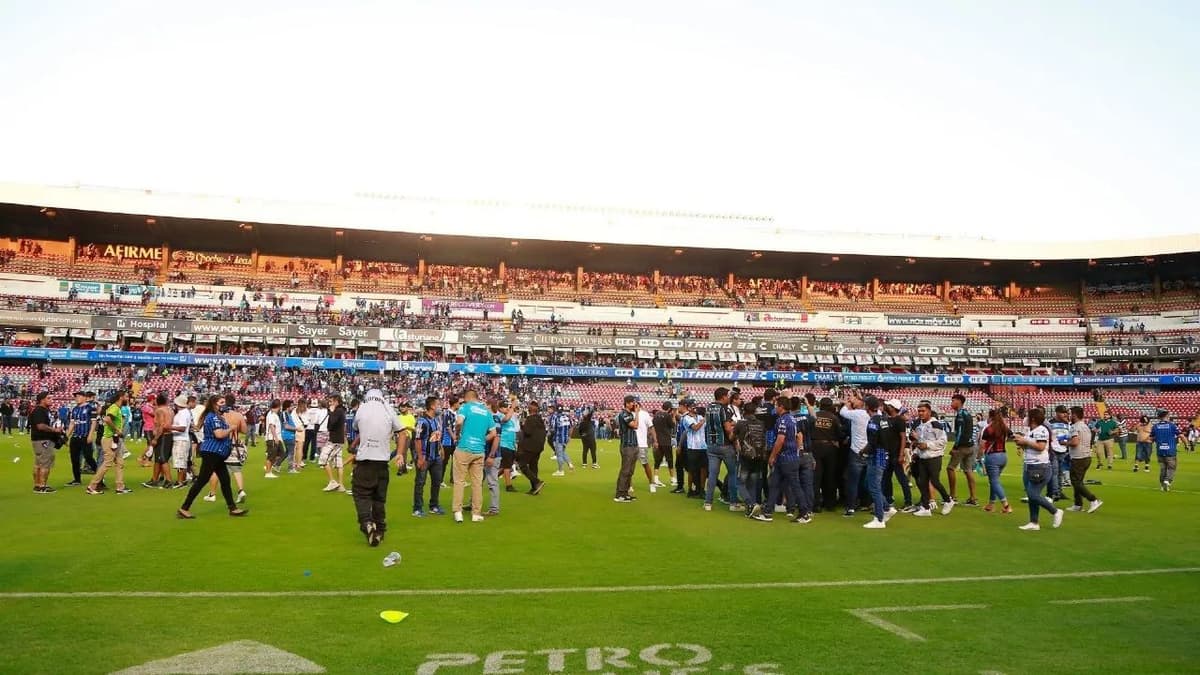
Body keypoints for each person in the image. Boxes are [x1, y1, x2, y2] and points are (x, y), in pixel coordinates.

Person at [177, 395, 248, 518]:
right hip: (212, 452)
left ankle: (232, 508)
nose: (224, 405)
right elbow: (219, 434)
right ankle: (184, 508)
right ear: (215, 404)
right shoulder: (214, 417)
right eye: (221, 402)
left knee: (225, 480)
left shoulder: (217, 416)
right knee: (202, 481)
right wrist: (231, 428)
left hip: (217, 453)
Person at [348, 388, 401, 545]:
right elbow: (401, 430)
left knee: (361, 493)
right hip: (382, 462)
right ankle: (379, 531)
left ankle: (367, 522)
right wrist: (400, 453)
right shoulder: (388, 408)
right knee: (379, 499)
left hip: (365, 460)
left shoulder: (363, 408)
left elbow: (355, 427)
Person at [1013, 407, 1062, 531]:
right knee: (1031, 495)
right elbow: (1030, 446)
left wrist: (1025, 441)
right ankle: (1034, 522)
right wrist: (1021, 443)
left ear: (1033, 419)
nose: (1026, 419)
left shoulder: (1041, 430)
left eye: (1028, 417)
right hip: (1030, 465)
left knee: (1033, 494)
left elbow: (1040, 446)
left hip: (1039, 466)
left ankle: (1055, 511)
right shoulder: (1032, 431)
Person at [453, 388, 495, 523]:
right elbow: (493, 433)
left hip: (464, 447)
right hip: (479, 450)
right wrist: (482, 439)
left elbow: (459, 422)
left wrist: (458, 434)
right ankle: (476, 513)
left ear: (467, 398)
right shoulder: (487, 412)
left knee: (459, 481)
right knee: (477, 483)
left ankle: (458, 512)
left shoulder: (465, 407)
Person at [910, 402, 953, 517]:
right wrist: (916, 452)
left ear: (929, 412)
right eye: (919, 411)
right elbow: (920, 442)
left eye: (923, 411)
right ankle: (925, 507)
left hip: (934, 457)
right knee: (922, 482)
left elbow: (942, 441)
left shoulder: (935, 424)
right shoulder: (919, 425)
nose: (920, 413)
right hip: (922, 457)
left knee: (934, 481)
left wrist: (927, 445)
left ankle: (948, 500)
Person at [87, 391, 133, 495]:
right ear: (120, 397)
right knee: (108, 463)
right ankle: (92, 486)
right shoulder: (114, 408)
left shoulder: (116, 408)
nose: (128, 399)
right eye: (126, 396)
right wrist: (117, 430)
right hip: (110, 439)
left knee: (120, 463)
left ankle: (120, 487)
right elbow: (107, 419)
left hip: (114, 438)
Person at [703, 387, 739, 512]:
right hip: (725, 445)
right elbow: (727, 428)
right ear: (723, 397)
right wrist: (735, 434)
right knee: (733, 474)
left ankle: (708, 503)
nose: (729, 398)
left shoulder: (709, 407)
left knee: (713, 475)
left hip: (711, 445)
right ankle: (733, 503)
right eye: (728, 396)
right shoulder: (724, 409)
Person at [861, 395, 893, 528]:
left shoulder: (873, 422)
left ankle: (879, 519)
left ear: (867, 407)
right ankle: (887, 507)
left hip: (876, 456)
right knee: (870, 484)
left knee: (873, 487)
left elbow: (873, 442)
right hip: (884, 454)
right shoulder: (884, 419)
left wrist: (864, 452)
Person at [839, 391, 871, 517]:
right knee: (867, 481)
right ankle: (867, 503)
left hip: (856, 452)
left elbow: (842, 412)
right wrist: (859, 400)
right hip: (869, 451)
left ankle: (851, 507)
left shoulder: (858, 413)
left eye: (856, 399)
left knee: (853, 481)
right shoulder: (874, 414)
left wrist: (848, 403)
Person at [412, 396, 445, 516]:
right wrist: (420, 457)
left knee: (436, 482)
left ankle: (434, 505)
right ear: (432, 406)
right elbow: (417, 440)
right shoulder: (422, 421)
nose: (440, 407)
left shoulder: (436, 420)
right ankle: (417, 508)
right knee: (420, 483)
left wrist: (441, 448)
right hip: (425, 457)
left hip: (436, 456)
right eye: (438, 404)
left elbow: (437, 436)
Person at [810, 398, 843, 512]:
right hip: (830, 448)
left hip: (815, 447)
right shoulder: (834, 418)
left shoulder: (814, 416)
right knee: (830, 476)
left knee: (816, 476)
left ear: (820, 405)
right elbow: (840, 434)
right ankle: (830, 503)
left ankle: (815, 504)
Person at [880, 399, 914, 513]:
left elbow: (903, 437)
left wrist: (901, 454)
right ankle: (889, 500)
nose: (886, 406)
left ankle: (908, 502)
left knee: (901, 479)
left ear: (893, 407)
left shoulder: (899, 420)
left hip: (895, 453)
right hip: (888, 453)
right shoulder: (887, 419)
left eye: (888, 405)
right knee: (886, 478)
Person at [1067, 406, 1102, 513]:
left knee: (1075, 482)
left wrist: (1064, 443)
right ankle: (1078, 504)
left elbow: (1075, 442)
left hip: (1078, 457)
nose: (1069, 416)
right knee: (1079, 482)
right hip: (1086, 456)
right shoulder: (1085, 426)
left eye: (1070, 414)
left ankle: (1093, 500)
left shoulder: (1075, 427)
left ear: (1074, 415)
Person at [946, 394, 978, 506]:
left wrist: (955, 447)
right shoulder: (967, 413)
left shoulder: (960, 415)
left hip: (962, 447)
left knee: (950, 468)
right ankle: (973, 498)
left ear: (959, 401)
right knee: (968, 470)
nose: (951, 403)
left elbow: (960, 432)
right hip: (971, 446)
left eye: (953, 400)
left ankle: (952, 496)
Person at [979, 408, 1011, 513]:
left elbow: (982, 445)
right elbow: (1012, 435)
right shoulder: (1004, 427)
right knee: (994, 480)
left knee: (994, 481)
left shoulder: (988, 429)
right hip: (1003, 456)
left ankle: (1006, 505)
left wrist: (979, 457)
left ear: (990, 417)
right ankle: (991, 504)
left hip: (992, 456)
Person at [143, 393, 174, 489]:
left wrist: (155, 438)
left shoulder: (160, 410)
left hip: (163, 436)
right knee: (158, 459)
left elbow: (161, 425)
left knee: (162, 458)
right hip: (168, 435)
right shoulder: (170, 410)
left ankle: (168, 480)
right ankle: (154, 479)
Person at [29, 392, 58, 493]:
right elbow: (40, 426)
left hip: (39, 440)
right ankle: (42, 486)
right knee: (45, 463)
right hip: (43, 440)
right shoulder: (39, 410)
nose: (51, 400)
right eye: (49, 398)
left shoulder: (44, 410)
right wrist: (54, 430)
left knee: (38, 463)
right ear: (42, 400)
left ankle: (37, 485)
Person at [66, 391, 96, 486]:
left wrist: (90, 435)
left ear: (85, 397)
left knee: (88, 457)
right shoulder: (74, 409)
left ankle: (99, 477)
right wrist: (66, 436)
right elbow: (72, 424)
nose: (77, 398)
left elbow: (94, 422)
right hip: (75, 437)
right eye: (76, 397)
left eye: (79, 396)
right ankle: (77, 480)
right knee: (74, 459)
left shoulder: (91, 408)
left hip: (85, 436)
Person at [613, 395, 640, 503]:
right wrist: (637, 413)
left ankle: (625, 493)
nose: (634, 404)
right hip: (627, 445)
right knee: (625, 470)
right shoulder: (624, 414)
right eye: (633, 402)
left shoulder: (629, 414)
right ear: (627, 403)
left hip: (633, 444)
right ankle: (620, 494)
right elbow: (635, 425)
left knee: (630, 471)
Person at [516, 400, 547, 495]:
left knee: (522, 465)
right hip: (539, 447)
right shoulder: (540, 420)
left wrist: (522, 425)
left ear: (529, 410)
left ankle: (537, 482)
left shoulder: (530, 419)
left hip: (530, 447)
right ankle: (535, 489)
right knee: (533, 466)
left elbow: (527, 432)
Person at [320, 394, 348, 492]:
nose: (329, 403)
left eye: (331, 401)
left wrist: (331, 412)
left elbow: (331, 424)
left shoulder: (338, 411)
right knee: (338, 463)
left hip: (334, 440)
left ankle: (332, 482)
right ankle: (341, 485)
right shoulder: (341, 411)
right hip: (339, 440)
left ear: (336, 401)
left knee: (323, 459)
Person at [633, 398, 662, 493]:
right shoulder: (629, 414)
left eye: (635, 404)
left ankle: (651, 483)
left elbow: (651, 427)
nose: (634, 405)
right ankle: (629, 485)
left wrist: (655, 440)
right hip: (631, 444)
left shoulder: (645, 414)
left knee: (645, 464)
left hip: (642, 444)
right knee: (629, 466)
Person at [1151, 410, 1180, 491]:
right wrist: (1187, 445)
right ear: (1166, 416)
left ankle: (1162, 485)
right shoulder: (1172, 426)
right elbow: (1181, 435)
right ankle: (1167, 480)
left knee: (1163, 468)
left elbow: (1151, 438)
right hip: (1170, 451)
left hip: (1160, 451)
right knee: (1171, 467)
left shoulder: (1155, 426)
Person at [496, 398, 520, 494]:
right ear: (500, 408)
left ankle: (493, 478)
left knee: (507, 465)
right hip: (504, 443)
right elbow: (506, 419)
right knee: (507, 466)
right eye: (504, 407)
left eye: (507, 407)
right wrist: (512, 408)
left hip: (510, 444)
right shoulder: (499, 415)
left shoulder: (509, 415)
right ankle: (508, 485)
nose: (506, 408)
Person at [170, 394, 193, 488]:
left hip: (181, 440)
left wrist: (170, 427)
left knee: (180, 462)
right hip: (182, 439)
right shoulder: (184, 412)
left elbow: (182, 428)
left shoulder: (183, 413)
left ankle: (180, 482)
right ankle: (182, 480)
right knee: (182, 461)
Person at [652, 402, 677, 488]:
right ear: (669, 408)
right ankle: (672, 478)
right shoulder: (667, 415)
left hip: (658, 440)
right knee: (669, 460)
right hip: (666, 440)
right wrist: (674, 415)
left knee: (657, 460)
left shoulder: (656, 415)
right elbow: (673, 425)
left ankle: (656, 478)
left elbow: (653, 426)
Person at [548, 404, 574, 476]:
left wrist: (549, 432)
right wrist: (569, 436)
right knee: (562, 451)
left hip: (558, 438)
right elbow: (571, 427)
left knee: (559, 454)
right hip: (565, 438)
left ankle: (560, 470)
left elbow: (553, 428)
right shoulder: (567, 417)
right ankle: (569, 463)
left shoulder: (555, 417)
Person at [263, 399, 283, 479]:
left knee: (281, 453)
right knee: (271, 456)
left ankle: (268, 467)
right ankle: (268, 472)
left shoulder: (274, 414)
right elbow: (271, 426)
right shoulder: (271, 414)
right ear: (278, 406)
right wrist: (276, 437)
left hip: (276, 437)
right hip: (272, 438)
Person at [395, 401, 416, 476]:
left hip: (407, 436)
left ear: (407, 408)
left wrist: (406, 427)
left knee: (403, 452)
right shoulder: (398, 417)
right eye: (401, 407)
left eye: (403, 407)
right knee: (402, 452)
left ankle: (400, 469)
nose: (402, 408)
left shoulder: (411, 417)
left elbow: (413, 429)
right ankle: (403, 469)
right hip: (398, 436)